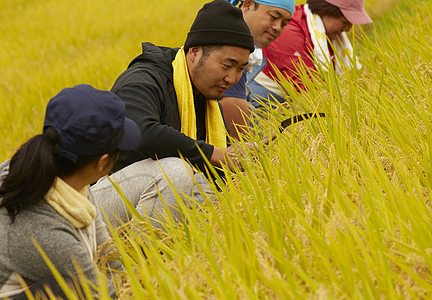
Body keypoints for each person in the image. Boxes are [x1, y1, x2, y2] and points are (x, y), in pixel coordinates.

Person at [0, 84, 141, 300]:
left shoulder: (68, 181)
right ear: (102, 162)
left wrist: (135, 283)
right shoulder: (44, 230)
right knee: (74, 290)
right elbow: (103, 294)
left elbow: (107, 254)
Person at [91, 0, 255, 229]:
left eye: (241, 69)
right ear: (195, 52)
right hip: (93, 206)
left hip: (146, 200)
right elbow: (139, 130)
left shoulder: (206, 99)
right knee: (178, 174)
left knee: (222, 198)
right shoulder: (145, 78)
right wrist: (215, 154)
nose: (233, 79)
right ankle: (130, 262)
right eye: (227, 65)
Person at [247, 0, 373, 110]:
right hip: (257, 108)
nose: (348, 28)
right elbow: (310, 88)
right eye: (344, 22)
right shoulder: (289, 31)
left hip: (286, 106)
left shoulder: (327, 38)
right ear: (326, 11)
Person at [219, 0, 295, 140]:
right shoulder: (228, 50)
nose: (278, 27)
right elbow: (240, 142)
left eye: (284, 24)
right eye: (273, 17)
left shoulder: (245, 49)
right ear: (248, 5)